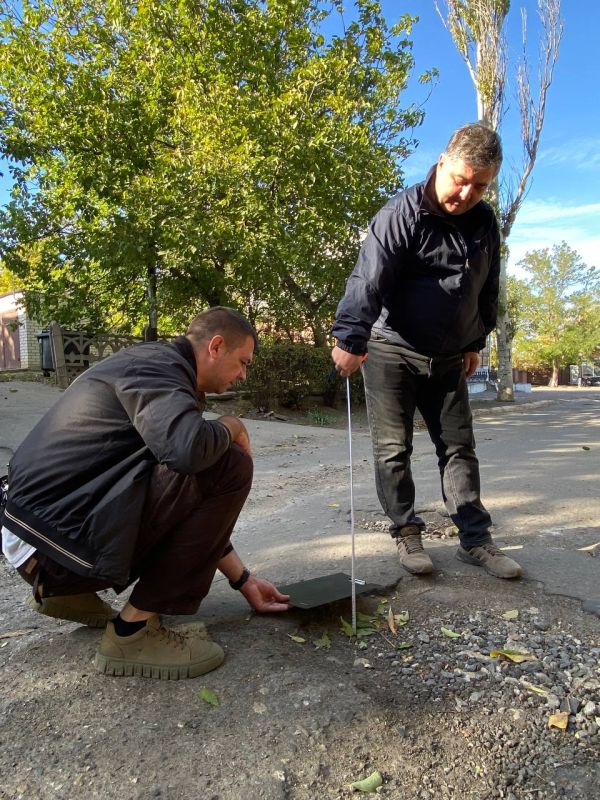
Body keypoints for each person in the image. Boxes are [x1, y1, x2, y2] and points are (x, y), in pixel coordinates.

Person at [1, 306, 289, 680]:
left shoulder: (157, 369)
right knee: (229, 464)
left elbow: (183, 500)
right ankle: (131, 633)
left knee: (209, 457)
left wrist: (243, 580)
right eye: (242, 362)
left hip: (42, 545)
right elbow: (190, 454)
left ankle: (64, 594)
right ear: (216, 346)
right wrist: (232, 425)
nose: (243, 374)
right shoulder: (157, 370)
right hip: (50, 549)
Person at [331, 123, 522, 580]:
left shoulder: (484, 222)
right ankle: (406, 531)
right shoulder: (402, 213)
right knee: (393, 449)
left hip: (451, 354)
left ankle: (475, 540)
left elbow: (485, 286)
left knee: (459, 448)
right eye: (461, 179)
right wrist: (351, 337)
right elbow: (369, 277)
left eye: (480, 185)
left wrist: (476, 339)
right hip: (389, 348)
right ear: (442, 163)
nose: (467, 193)